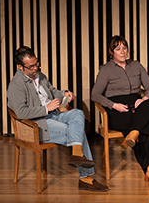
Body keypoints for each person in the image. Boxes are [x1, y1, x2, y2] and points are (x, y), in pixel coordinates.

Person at [7, 45, 107, 192]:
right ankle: (86, 179)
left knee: (78, 114)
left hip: (54, 114)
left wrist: (64, 93)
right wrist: (46, 108)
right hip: (38, 123)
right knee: (77, 132)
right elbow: (21, 112)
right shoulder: (16, 85)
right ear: (20, 67)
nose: (35, 68)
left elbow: (52, 92)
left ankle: (77, 154)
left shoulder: (40, 75)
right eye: (31, 66)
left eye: (36, 63)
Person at [90, 35, 149, 186]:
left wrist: (144, 99)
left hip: (137, 104)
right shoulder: (106, 69)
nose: (122, 51)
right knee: (145, 127)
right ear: (111, 52)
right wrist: (113, 105)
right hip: (117, 109)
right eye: (118, 49)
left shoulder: (136, 65)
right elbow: (95, 95)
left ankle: (134, 133)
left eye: (124, 48)